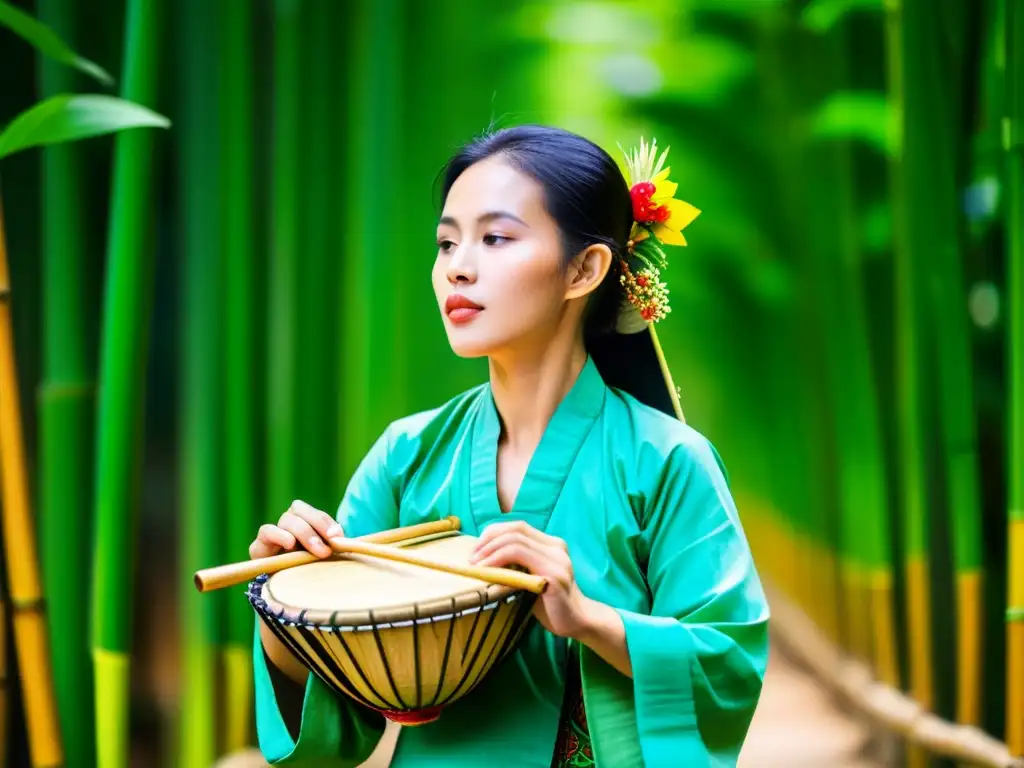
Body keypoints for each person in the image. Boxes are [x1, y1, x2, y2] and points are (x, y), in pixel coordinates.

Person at [247, 125, 770, 767]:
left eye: (495, 238)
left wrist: (585, 618)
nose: (457, 267)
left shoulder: (667, 461)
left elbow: (729, 662)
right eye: (446, 242)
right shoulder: (405, 455)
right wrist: (285, 607)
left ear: (585, 268)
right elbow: (341, 723)